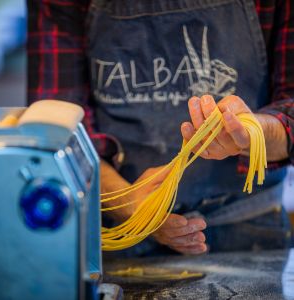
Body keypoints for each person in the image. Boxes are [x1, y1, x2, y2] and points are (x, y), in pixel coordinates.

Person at [27, 0, 294, 256]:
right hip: (120, 230)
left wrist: (253, 132)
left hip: (250, 225)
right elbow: (57, 132)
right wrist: (130, 204)